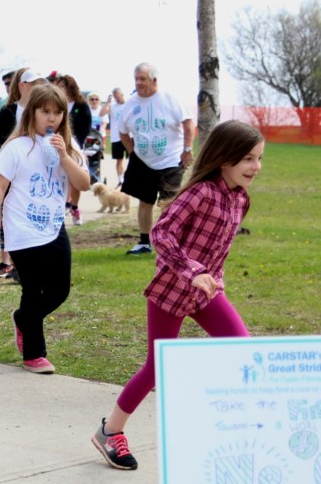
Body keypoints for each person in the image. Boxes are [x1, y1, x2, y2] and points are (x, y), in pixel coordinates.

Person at [91, 120, 264, 471]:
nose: (255, 167)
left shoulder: (240, 200)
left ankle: (239, 429)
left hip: (205, 292)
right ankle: (110, 431)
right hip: (171, 290)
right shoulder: (199, 194)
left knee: (242, 349)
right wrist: (193, 271)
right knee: (157, 368)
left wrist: (213, 277)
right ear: (224, 159)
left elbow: (218, 250)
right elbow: (162, 234)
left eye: (259, 159)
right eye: (248, 159)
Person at [0, 84, 90, 374]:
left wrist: (64, 156)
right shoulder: (17, 147)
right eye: (45, 112)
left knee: (59, 290)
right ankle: (34, 354)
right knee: (33, 289)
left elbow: (84, 184)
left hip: (53, 227)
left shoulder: (69, 146)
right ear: (32, 113)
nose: (51, 118)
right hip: (22, 229)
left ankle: (24, 319)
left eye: (57, 113)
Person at [118, 63, 195, 255]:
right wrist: (133, 152)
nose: (138, 82)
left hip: (171, 160)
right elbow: (122, 132)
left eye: (142, 79)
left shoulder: (170, 99)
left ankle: (168, 242)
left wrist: (187, 149)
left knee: (168, 203)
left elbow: (188, 124)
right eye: (136, 79)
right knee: (145, 201)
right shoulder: (131, 103)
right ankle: (145, 242)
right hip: (144, 161)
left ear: (154, 80)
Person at [0, 68, 47, 282]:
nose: (39, 87)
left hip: (35, 177)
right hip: (10, 173)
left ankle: (28, 262)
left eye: (42, 83)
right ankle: (6, 260)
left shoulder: (43, 111)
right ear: (22, 86)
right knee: (7, 216)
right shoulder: (9, 111)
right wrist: (9, 154)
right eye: (34, 83)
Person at [55, 74, 92, 225]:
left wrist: (78, 142)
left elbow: (86, 124)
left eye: (62, 86)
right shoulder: (57, 104)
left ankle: (74, 207)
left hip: (75, 145)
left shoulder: (81, 105)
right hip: (59, 144)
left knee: (75, 181)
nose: (59, 89)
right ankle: (63, 205)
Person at [103, 87, 127, 185]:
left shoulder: (128, 104)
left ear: (122, 95)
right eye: (115, 97)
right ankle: (120, 180)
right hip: (116, 137)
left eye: (118, 97)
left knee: (134, 160)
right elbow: (102, 113)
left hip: (129, 136)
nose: (117, 99)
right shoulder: (112, 106)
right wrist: (108, 102)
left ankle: (128, 176)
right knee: (119, 160)